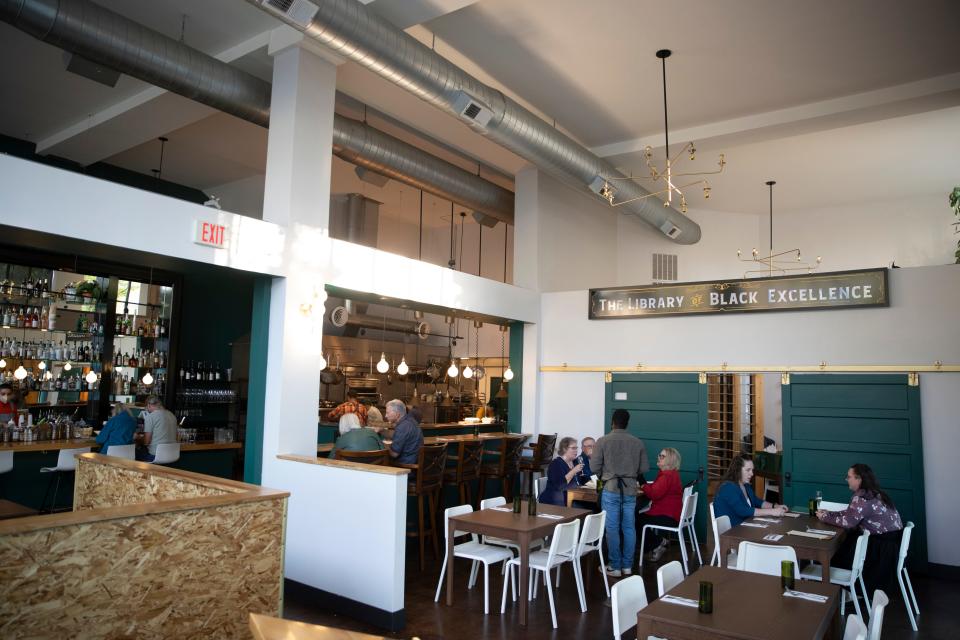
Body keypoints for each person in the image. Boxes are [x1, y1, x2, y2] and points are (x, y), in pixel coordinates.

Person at [817, 463, 903, 593]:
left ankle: (841, 591)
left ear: (859, 479)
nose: (846, 479)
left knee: (839, 554)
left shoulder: (862, 498)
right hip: (891, 544)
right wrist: (828, 513)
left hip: (879, 547)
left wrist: (824, 517)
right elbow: (850, 514)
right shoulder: (875, 493)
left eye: (849, 476)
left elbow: (849, 522)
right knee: (849, 541)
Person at [592, 408, 649, 577]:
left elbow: (594, 467)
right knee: (629, 527)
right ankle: (627, 566)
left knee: (612, 528)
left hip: (610, 488)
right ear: (627, 423)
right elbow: (644, 468)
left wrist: (606, 475)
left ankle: (614, 566)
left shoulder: (602, 441)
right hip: (630, 489)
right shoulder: (637, 442)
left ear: (612, 422)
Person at [713, 454, 788, 527]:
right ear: (737, 470)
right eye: (748, 470)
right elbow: (743, 510)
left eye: (752, 470)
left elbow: (757, 501)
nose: (752, 473)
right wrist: (772, 512)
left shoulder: (745, 485)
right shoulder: (728, 487)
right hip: (733, 531)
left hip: (746, 526)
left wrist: (775, 506)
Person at [638, 447, 684, 562]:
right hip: (672, 514)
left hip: (667, 516)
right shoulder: (672, 474)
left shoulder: (666, 476)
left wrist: (642, 483)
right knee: (637, 518)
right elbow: (656, 489)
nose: (659, 457)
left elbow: (654, 494)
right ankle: (658, 542)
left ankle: (657, 544)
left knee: (634, 520)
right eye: (659, 455)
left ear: (670, 460)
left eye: (662, 456)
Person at [538, 437, 585, 506]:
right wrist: (574, 471)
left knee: (593, 505)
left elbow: (579, 481)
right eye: (573, 448)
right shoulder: (556, 464)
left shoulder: (575, 462)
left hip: (572, 497)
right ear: (564, 449)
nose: (576, 451)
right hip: (556, 500)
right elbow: (560, 485)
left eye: (576, 448)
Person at [136, 396, 178, 462]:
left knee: (135, 452)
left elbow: (146, 442)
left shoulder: (150, 417)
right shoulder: (172, 415)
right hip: (173, 454)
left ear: (149, 405)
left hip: (155, 456)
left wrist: (139, 437)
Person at [386, 398, 422, 464]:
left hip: (406, 467)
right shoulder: (411, 421)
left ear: (397, 414)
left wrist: (384, 445)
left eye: (387, 413)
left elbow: (394, 454)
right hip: (414, 463)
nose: (386, 416)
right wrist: (382, 431)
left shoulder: (402, 427)